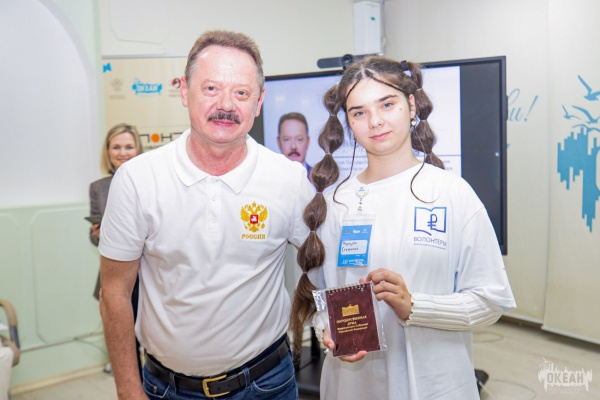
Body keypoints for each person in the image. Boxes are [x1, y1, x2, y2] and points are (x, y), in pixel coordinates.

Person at [98, 30, 313, 400]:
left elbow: (326, 266)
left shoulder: (289, 180)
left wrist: (341, 327)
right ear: (184, 91)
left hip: (267, 384)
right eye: (211, 88)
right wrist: (128, 389)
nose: (225, 105)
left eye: (241, 93)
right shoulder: (137, 179)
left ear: (259, 101)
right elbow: (115, 292)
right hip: (167, 389)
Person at [290, 57, 516, 399]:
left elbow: (490, 300)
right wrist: (327, 330)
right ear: (348, 123)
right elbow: (321, 296)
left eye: (387, 104)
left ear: (411, 106)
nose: (375, 121)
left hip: (435, 386)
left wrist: (414, 306)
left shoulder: (452, 194)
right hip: (352, 386)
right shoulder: (335, 202)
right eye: (359, 112)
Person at [89, 123, 144, 377]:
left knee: (154, 339)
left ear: (138, 150)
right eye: (116, 147)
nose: (122, 152)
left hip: (151, 275)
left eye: (128, 147)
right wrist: (97, 235)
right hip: (118, 278)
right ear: (108, 151)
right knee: (126, 340)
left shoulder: (150, 182)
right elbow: (94, 237)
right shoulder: (98, 187)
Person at [277, 112, 312, 177]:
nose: (293, 146)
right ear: (278, 142)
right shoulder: (269, 179)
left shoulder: (319, 179)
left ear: (308, 141)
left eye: (299, 139)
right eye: (287, 139)